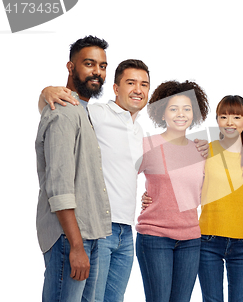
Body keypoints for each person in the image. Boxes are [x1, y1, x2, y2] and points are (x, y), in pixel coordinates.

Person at [38, 59, 151, 302]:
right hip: (100, 229)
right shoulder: (97, 113)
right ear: (116, 88)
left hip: (126, 232)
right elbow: (59, 109)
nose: (138, 90)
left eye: (144, 84)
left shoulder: (139, 129)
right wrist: (45, 92)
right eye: (130, 83)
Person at [35, 35, 112, 302]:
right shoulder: (63, 113)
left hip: (88, 233)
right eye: (89, 64)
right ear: (70, 67)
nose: (97, 72)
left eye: (102, 66)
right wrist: (76, 246)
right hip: (69, 236)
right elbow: (60, 187)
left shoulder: (82, 110)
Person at [136, 80, 209, 302]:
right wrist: (145, 196)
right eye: (173, 108)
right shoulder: (147, 145)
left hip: (190, 239)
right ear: (163, 112)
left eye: (187, 108)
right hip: (155, 237)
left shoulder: (200, 150)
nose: (181, 114)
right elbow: (121, 179)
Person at [197, 95, 243, 302]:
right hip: (208, 239)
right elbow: (188, 188)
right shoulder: (205, 151)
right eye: (224, 117)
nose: (229, 123)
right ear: (217, 120)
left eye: (236, 117)